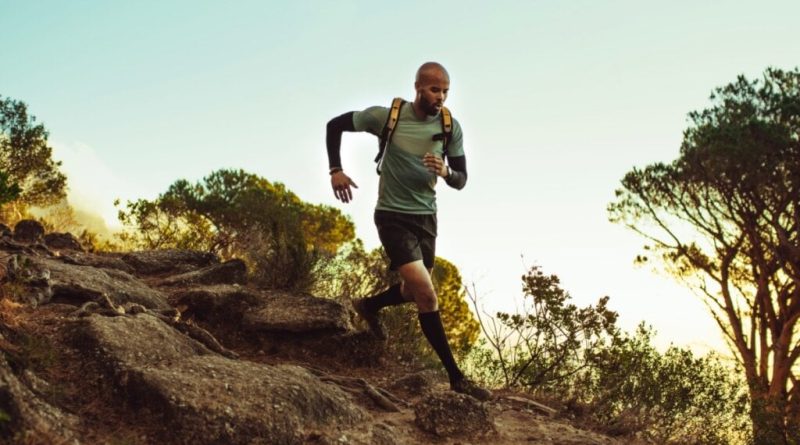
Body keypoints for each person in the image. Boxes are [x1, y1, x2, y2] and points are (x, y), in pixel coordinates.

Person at [325, 62, 491, 401]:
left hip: (426, 218)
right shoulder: (387, 117)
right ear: (418, 88)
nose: (440, 96)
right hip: (392, 215)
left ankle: (369, 305)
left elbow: (462, 180)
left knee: (414, 290)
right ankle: (457, 378)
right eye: (434, 90)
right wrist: (335, 170)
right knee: (428, 295)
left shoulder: (449, 128)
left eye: (445, 91)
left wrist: (445, 171)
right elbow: (334, 125)